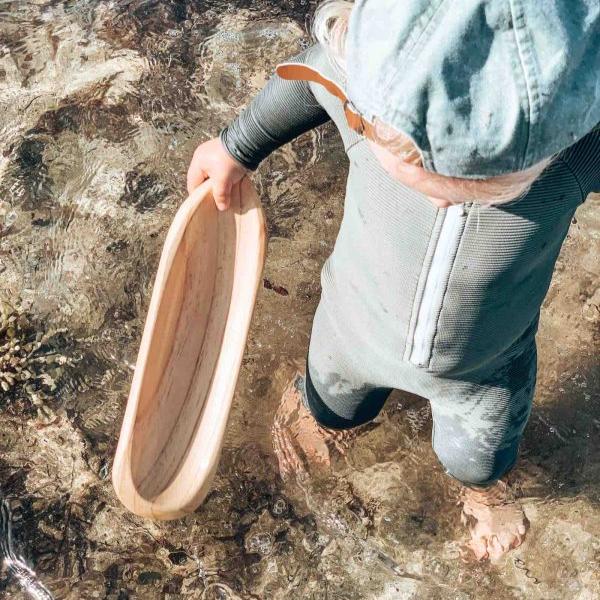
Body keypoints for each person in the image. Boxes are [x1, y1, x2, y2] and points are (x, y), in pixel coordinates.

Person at [187, 0, 600, 561]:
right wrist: (235, 148)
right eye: (417, 167)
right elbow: (308, 82)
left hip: (482, 373)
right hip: (352, 328)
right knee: (331, 399)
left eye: (474, 183)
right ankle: (325, 416)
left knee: (476, 458)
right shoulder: (364, 89)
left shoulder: (574, 152)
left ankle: (482, 494)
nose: (436, 193)